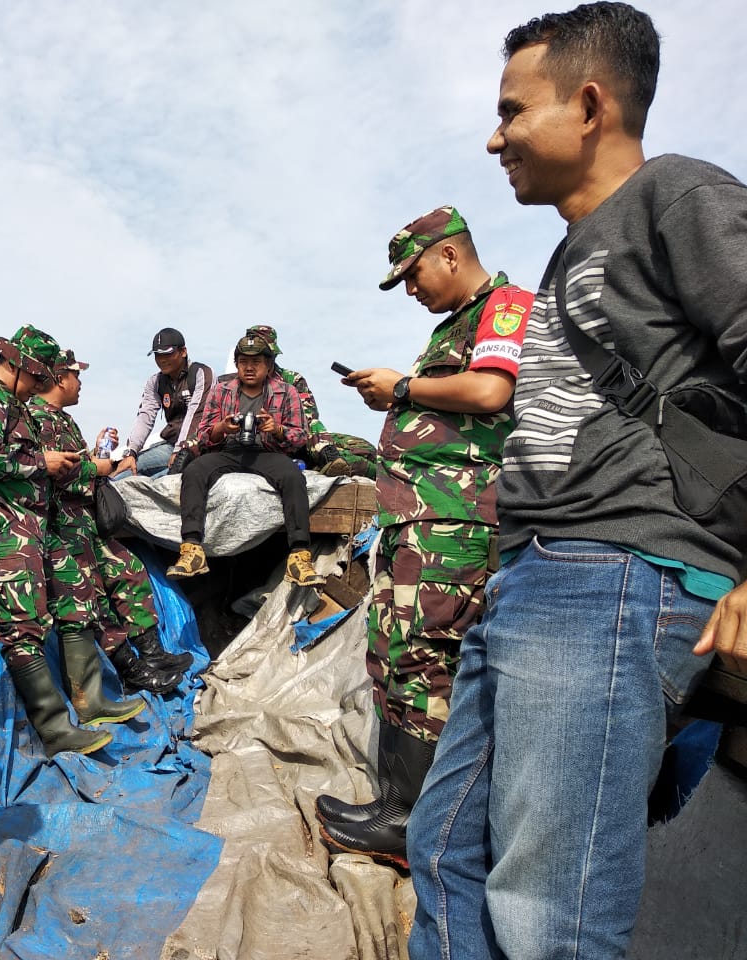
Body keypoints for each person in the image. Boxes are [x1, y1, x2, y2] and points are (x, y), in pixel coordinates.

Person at [405, 5, 747, 958]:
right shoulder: (571, 253)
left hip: (617, 573)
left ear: (590, 106)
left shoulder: (677, 195)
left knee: (548, 914)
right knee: (443, 849)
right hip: (537, 574)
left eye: (513, 111)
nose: (496, 138)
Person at [317, 206, 532, 869]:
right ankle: (396, 805)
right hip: (414, 519)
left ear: (449, 254)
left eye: (413, 275)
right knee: (393, 649)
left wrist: (405, 386)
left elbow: (492, 390)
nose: (411, 289)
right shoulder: (452, 328)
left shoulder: (505, 306)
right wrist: (398, 398)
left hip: (455, 521)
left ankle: (419, 825)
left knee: (427, 657)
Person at [0, 326, 141, 756]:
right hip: (2, 530)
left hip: (32, 525)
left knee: (74, 598)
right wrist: (43, 462)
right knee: (22, 625)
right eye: (37, 377)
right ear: (17, 366)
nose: (39, 386)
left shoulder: (11, 402)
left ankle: (90, 701)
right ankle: (55, 729)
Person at [28, 350, 190, 696]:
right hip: (62, 527)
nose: (80, 382)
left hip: (84, 523)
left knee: (128, 568)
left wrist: (98, 454)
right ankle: (130, 670)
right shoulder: (37, 420)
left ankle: (152, 654)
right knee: (91, 596)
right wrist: (97, 468)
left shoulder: (62, 421)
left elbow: (74, 464)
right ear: (60, 379)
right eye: (76, 375)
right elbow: (54, 474)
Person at [165, 332, 323, 588]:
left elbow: (300, 437)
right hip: (229, 450)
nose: (249, 368)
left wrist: (277, 430)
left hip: (268, 452)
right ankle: (192, 548)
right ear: (237, 364)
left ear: (268, 366)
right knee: (194, 471)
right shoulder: (221, 390)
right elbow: (203, 435)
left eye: (256, 362)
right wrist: (222, 429)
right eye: (243, 362)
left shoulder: (287, 391)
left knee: (293, 476)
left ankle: (299, 555)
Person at [243, 324, 376, 478]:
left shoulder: (291, 379)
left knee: (366, 449)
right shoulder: (234, 384)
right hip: (268, 444)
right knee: (360, 464)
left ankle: (330, 460)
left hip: (299, 439)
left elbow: (308, 417)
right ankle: (330, 462)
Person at [113, 327, 213, 478]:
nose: (162, 360)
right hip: (171, 445)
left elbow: (196, 414)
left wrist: (180, 450)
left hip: (199, 447)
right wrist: (131, 452)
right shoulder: (155, 382)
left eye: (168, 354)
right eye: (158, 355)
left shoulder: (201, 373)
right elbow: (145, 416)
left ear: (183, 352)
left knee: (160, 480)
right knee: (124, 472)